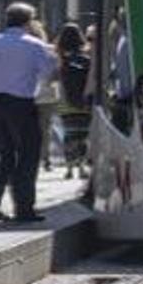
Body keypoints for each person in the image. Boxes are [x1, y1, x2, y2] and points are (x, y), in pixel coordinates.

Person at [0, 3, 59, 223]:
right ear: (28, 21)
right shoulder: (35, 45)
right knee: (28, 155)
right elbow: (49, 74)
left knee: (5, 156)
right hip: (22, 103)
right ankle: (24, 208)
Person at [55, 24, 92, 180]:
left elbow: (55, 79)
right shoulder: (86, 58)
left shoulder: (60, 58)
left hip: (66, 102)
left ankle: (69, 168)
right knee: (83, 135)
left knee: (69, 135)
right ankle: (82, 168)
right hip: (84, 101)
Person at [28, 21, 59, 173]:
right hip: (47, 94)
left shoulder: (24, 50)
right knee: (45, 128)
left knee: (29, 129)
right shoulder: (51, 51)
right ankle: (45, 158)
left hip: (27, 95)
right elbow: (55, 73)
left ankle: (32, 157)